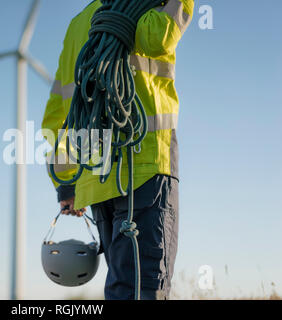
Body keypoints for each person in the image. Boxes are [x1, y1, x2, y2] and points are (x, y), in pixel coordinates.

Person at [42, 0, 194, 300]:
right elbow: (157, 38)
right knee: (142, 289)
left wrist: (67, 183)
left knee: (125, 286)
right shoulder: (150, 6)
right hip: (145, 170)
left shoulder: (78, 24)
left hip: (97, 183)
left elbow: (56, 117)